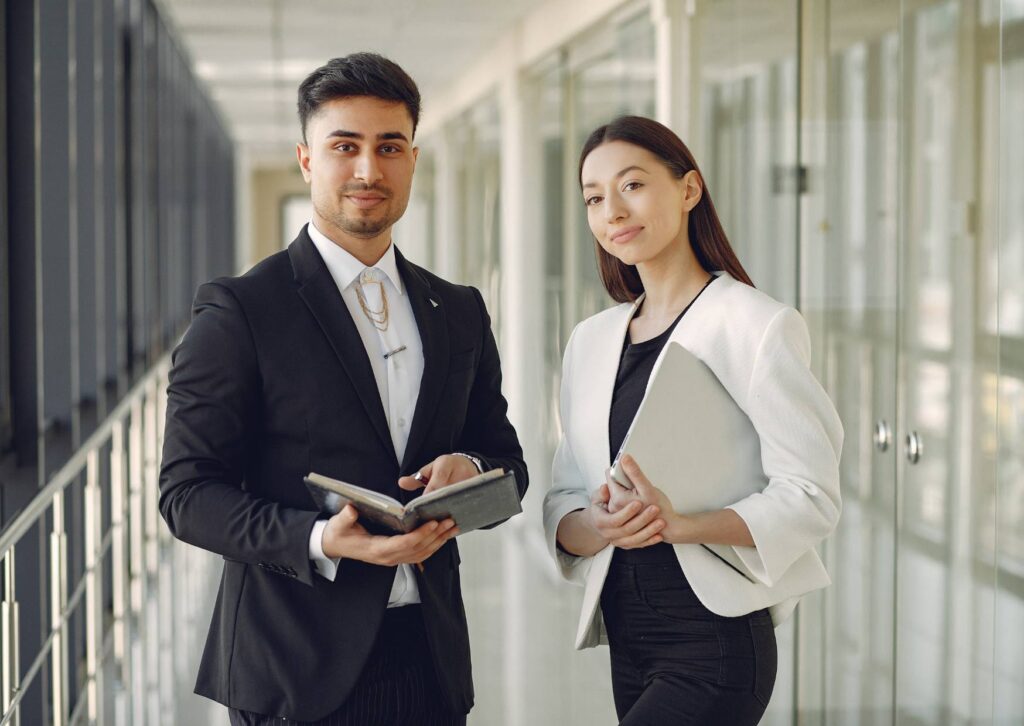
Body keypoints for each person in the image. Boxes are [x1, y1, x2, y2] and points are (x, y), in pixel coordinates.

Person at [159, 52, 527, 726]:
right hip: (293, 668)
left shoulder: (459, 310)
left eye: (389, 147)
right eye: (344, 146)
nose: (368, 169)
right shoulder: (240, 310)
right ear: (307, 160)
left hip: (430, 662)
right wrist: (324, 538)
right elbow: (186, 495)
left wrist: (469, 469)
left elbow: (508, 465)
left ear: (413, 159)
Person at [542, 116, 843, 725]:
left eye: (632, 185)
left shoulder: (755, 325)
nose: (612, 212)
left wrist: (684, 524)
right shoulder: (591, 340)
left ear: (688, 190)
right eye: (594, 199)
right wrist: (598, 523)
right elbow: (562, 504)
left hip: (715, 641)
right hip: (628, 639)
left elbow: (812, 497)